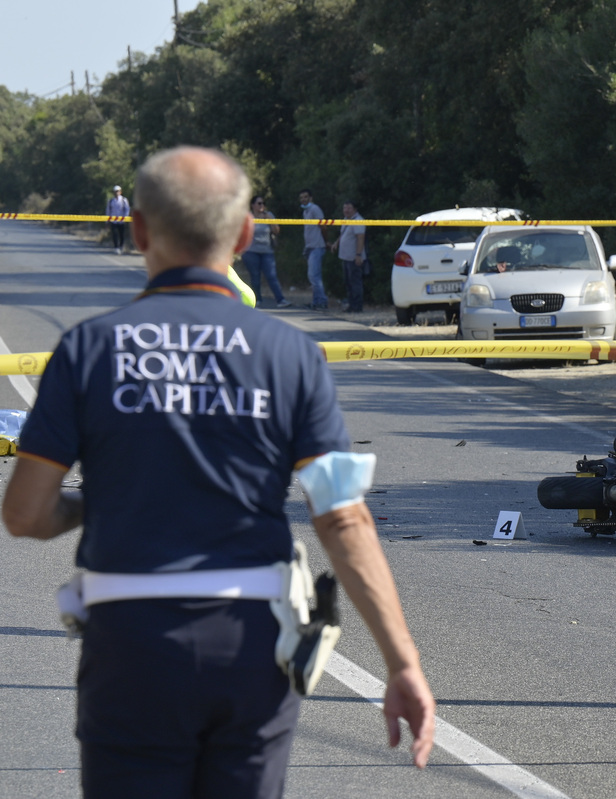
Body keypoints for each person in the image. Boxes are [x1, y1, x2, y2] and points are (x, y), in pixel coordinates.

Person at [3, 146, 435, 797]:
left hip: (130, 643)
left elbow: (26, 514)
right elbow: (342, 516)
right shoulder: (292, 355)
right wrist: (403, 662)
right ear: (244, 236)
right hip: (250, 646)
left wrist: (105, 499)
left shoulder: (87, 349)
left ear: (139, 229)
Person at [242, 195, 289, 308]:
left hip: (267, 251)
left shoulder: (269, 215)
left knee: (271, 275)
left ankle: (280, 299)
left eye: (263, 203)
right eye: (259, 203)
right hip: (251, 251)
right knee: (255, 276)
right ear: (253, 205)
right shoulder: (248, 217)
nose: (261, 206)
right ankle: (257, 299)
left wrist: (270, 220)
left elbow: (276, 231)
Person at [299, 188, 329, 310]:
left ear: (311, 198)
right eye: (301, 198)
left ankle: (322, 301)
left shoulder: (315, 209)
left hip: (317, 246)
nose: (304, 200)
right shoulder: (306, 212)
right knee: (313, 276)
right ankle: (316, 302)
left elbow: (323, 226)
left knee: (314, 275)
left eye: (306, 197)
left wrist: (326, 241)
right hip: (310, 247)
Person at [336, 200, 367, 313]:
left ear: (355, 209)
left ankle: (357, 307)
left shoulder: (358, 221)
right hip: (345, 257)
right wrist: (336, 243)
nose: (346, 210)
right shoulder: (346, 220)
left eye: (349, 208)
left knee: (355, 283)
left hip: (353, 258)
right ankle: (351, 305)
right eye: (345, 208)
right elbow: (342, 234)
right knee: (348, 283)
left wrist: (358, 255)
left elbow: (360, 238)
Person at [106, 185, 130, 254]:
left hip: (121, 221)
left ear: (120, 192)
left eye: (118, 191)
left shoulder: (124, 200)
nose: (116, 193)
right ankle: (116, 247)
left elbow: (127, 209)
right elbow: (108, 211)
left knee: (121, 234)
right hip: (114, 221)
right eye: (115, 191)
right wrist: (107, 221)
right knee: (115, 234)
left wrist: (125, 218)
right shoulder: (111, 201)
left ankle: (121, 246)